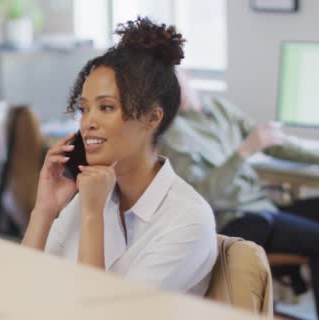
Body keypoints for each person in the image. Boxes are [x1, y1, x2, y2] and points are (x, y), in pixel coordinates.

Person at [21, 17, 217, 295]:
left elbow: (103, 314)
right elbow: (22, 285)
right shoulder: (92, 193)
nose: (87, 122)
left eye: (106, 107)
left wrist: (92, 215)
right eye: (85, 108)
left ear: (152, 118)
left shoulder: (188, 219)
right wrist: (45, 209)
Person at [160, 68, 319, 319]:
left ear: (187, 74)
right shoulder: (171, 134)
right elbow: (202, 196)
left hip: (262, 206)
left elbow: (269, 141)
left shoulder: (218, 109)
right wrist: (245, 151)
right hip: (237, 218)